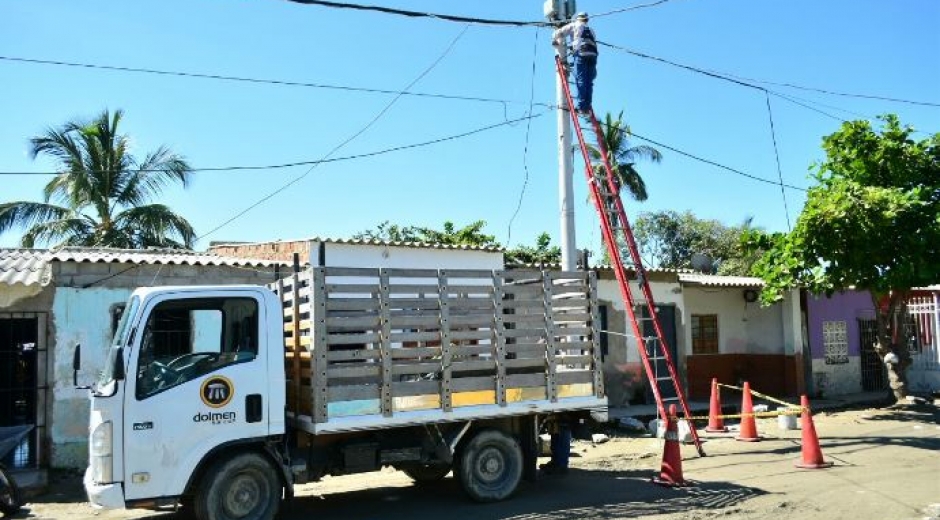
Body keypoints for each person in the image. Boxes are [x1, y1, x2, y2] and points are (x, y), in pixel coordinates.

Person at [553, 12, 598, 114]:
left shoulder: (575, 25)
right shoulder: (591, 30)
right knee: (589, 82)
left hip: (581, 54)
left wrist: (554, 38)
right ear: (586, 20)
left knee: (581, 79)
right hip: (593, 56)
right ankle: (587, 106)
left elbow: (560, 32)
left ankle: (582, 106)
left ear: (577, 19)